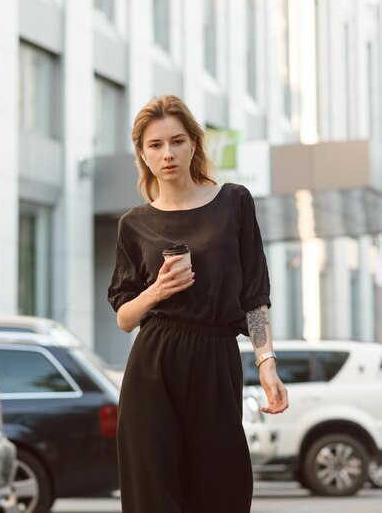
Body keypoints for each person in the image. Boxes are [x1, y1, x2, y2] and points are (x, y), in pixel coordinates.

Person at [108, 95, 288, 513]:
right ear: (142, 153)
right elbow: (123, 317)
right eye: (155, 145)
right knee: (153, 493)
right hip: (153, 363)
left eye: (177, 141)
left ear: (194, 144)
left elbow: (255, 296)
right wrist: (156, 291)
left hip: (215, 358)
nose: (167, 153)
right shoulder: (133, 225)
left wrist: (267, 364)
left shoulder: (234, 202)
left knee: (222, 488)